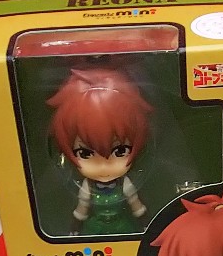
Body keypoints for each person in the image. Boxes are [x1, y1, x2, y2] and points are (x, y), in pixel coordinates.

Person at [48, 67, 151, 235]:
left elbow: (137, 206)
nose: (103, 166)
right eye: (85, 154)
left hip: (122, 228)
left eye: (120, 151)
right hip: (95, 229)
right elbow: (81, 210)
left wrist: (146, 225)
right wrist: (74, 230)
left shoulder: (125, 185)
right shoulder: (87, 187)